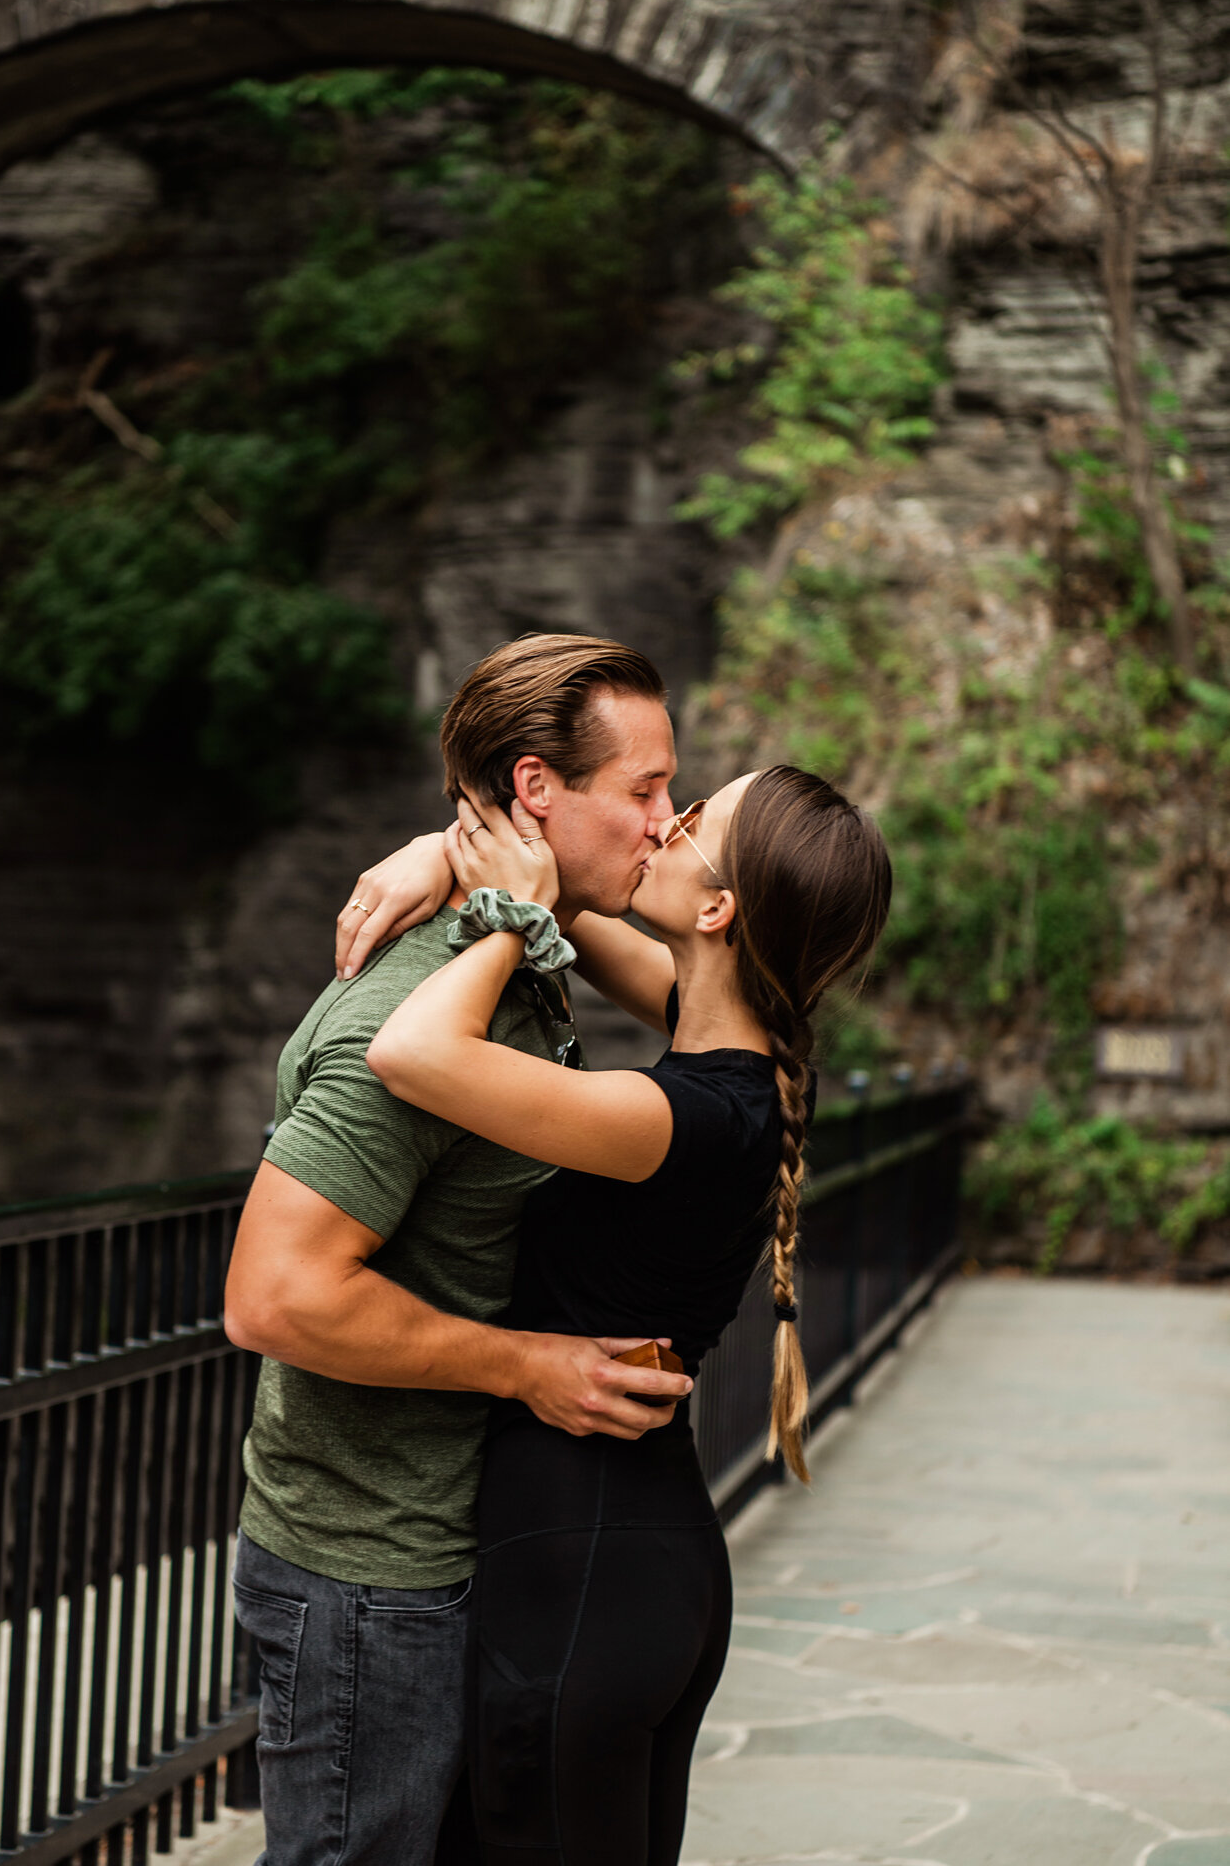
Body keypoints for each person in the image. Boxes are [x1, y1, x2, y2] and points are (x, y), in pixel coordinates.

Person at [361, 764, 892, 1866]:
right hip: (639, 1561)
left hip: (580, 1571)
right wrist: (444, 854)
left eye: (694, 818)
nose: (665, 817)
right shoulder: (754, 1058)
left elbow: (410, 1055)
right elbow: (591, 910)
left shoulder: (678, 1116)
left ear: (717, 908)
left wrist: (502, 918)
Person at [223, 634, 694, 1866]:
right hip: (365, 1578)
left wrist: (472, 863)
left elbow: (722, 1007)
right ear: (538, 789)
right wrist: (528, 1365)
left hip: (430, 1548)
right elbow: (272, 1296)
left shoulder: (520, 950)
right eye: (643, 789)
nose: (664, 819)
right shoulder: (419, 999)